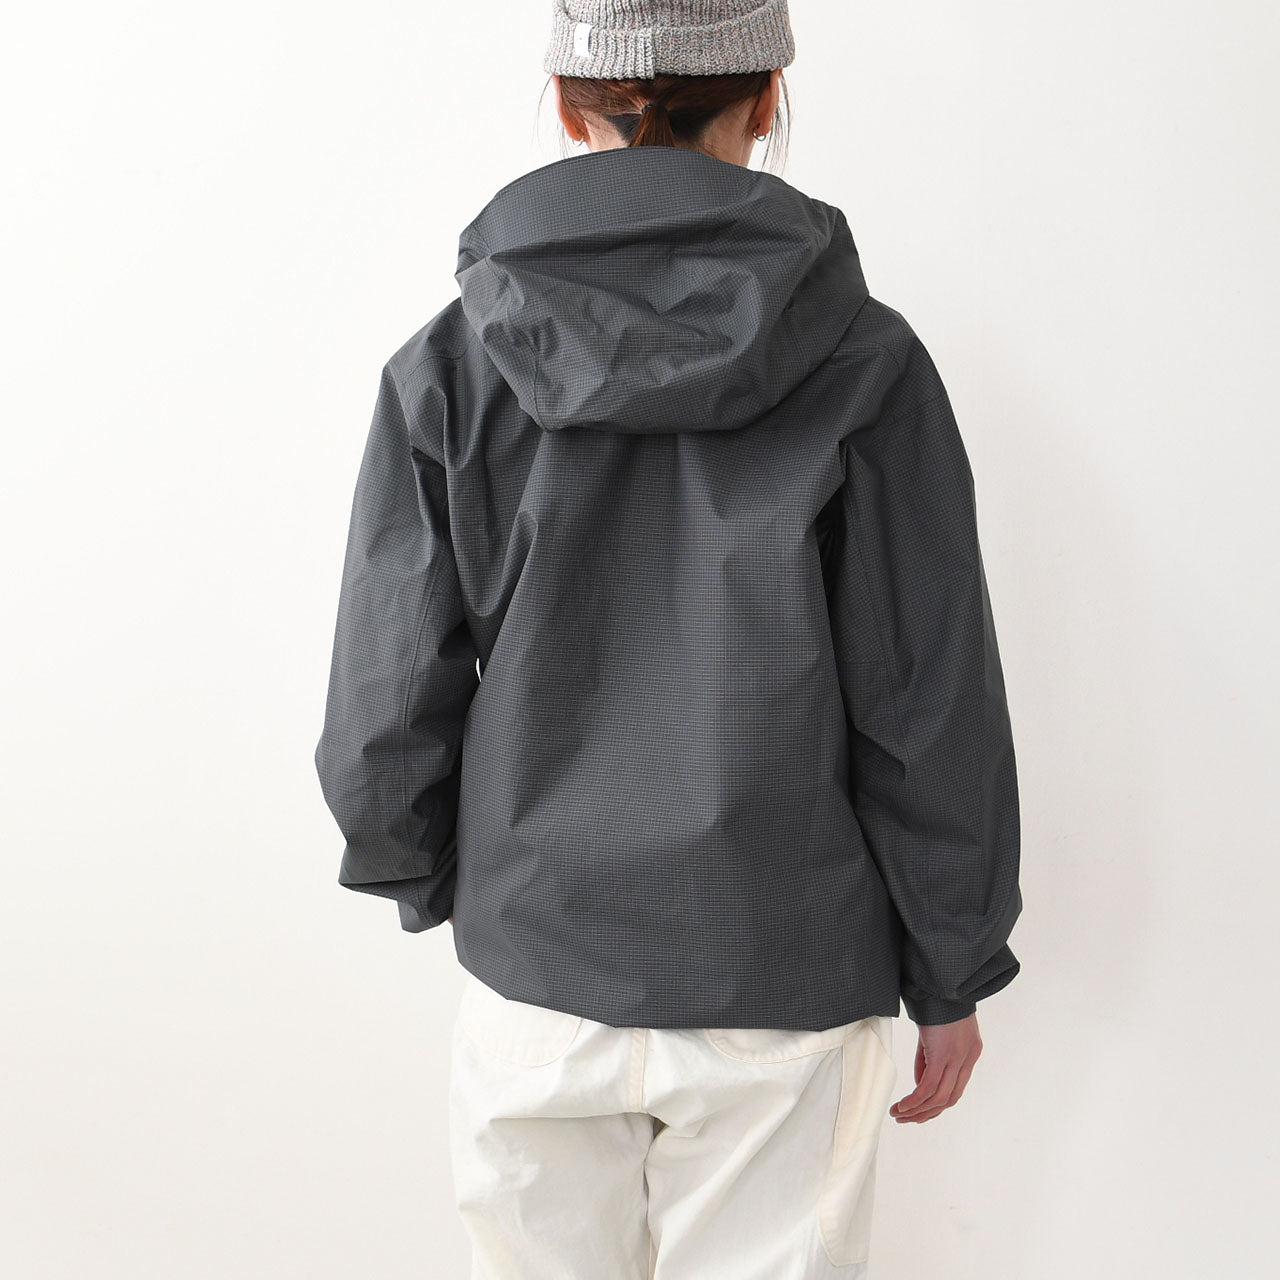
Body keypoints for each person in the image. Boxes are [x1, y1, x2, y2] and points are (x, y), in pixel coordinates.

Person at [313, 2, 1024, 1275]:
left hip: (537, 970)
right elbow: (924, 696)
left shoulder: (451, 365)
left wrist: (433, 871)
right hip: (781, 969)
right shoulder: (866, 361)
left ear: (563, 99)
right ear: (766, 97)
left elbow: (387, 692)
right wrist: (951, 961)